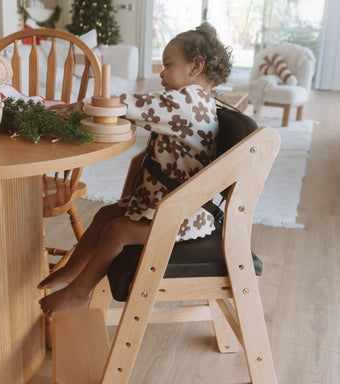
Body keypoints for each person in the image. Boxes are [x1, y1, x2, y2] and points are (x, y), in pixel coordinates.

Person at [38, 22, 232, 317]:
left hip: (186, 215)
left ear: (196, 66)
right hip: (168, 206)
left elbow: (138, 105)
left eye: (168, 65)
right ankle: (72, 271)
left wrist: (87, 105)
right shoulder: (193, 101)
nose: (161, 73)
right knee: (105, 214)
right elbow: (147, 114)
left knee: (117, 231)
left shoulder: (189, 102)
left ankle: (79, 291)